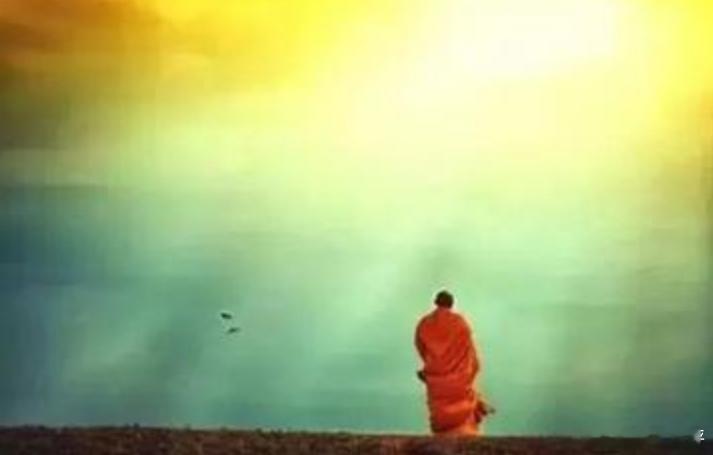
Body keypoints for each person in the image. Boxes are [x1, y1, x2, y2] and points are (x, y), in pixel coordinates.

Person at [414, 290, 491, 436]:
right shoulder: (460, 323)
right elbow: (470, 354)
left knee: (440, 409)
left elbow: (421, 347)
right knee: (463, 407)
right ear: (451, 304)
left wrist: (433, 366)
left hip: (436, 378)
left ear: (436, 303)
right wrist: (467, 368)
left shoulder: (425, 323)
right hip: (460, 378)